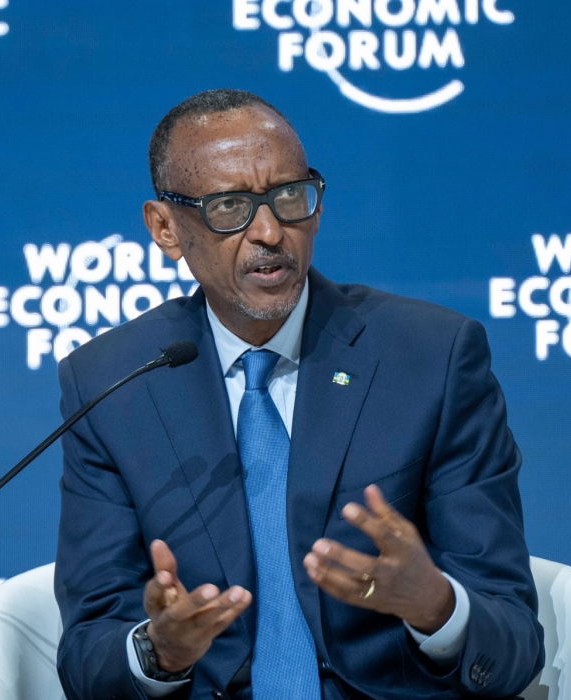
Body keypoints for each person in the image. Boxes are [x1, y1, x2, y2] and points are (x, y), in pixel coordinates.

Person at [53, 89, 544, 700]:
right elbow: (87, 654)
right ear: (165, 228)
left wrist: (436, 607)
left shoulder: (429, 359)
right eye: (230, 206)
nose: (270, 231)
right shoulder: (113, 383)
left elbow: (514, 635)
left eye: (290, 196)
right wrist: (160, 650)